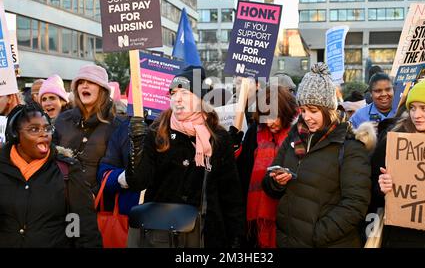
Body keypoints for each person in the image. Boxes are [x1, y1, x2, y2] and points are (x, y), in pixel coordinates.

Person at [122, 65, 245, 247]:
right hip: (162, 234)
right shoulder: (157, 133)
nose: (177, 99)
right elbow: (138, 182)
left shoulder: (218, 137)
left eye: (185, 93)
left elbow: (230, 195)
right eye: (173, 93)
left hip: (206, 235)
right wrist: (137, 144)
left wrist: (236, 240)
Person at [262, 63, 375, 248]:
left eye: (313, 111)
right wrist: (276, 182)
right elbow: (268, 184)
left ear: (329, 110)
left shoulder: (350, 147)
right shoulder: (294, 136)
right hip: (288, 241)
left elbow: (355, 204)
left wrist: (315, 235)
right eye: (303, 110)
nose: (306, 117)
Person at [0, 103, 101, 247]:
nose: (44, 134)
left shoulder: (67, 170)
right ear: (15, 134)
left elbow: (83, 228)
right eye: (34, 129)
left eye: (47, 128)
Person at [371, 78, 425, 248]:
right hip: (401, 237)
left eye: (424, 108)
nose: (416, 115)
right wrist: (382, 188)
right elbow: (371, 190)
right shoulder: (393, 142)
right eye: (412, 108)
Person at [236, 85, 298, 248]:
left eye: (274, 116)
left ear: (285, 112)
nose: (269, 122)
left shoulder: (300, 134)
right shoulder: (254, 133)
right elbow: (243, 174)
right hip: (258, 221)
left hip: (292, 218)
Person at [54, 65, 123, 193]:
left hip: (96, 202)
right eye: (80, 83)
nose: (84, 86)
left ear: (102, 89)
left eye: (91, 82)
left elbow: (113, 169)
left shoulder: (116, 125)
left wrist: (91, 196)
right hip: (60, 196)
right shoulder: (63, 120)